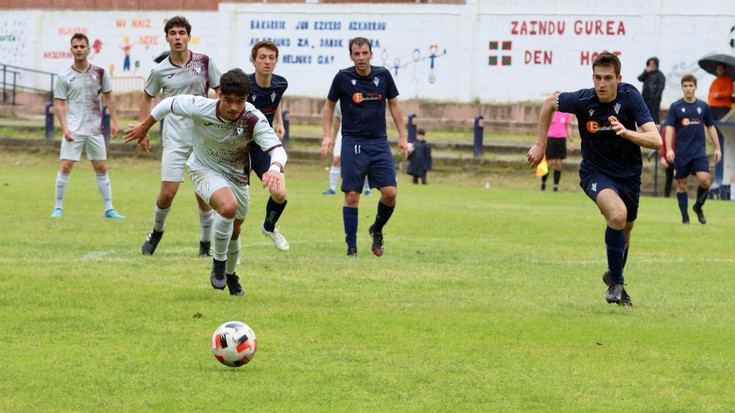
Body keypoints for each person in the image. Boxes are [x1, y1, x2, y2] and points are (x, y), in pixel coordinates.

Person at [124, 68, 287, 296]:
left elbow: (278, 150)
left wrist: (274, 169)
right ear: (219, 96)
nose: (233, 107)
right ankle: (218, 264)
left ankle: (231, 274)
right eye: (228, 100)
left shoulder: (253, 118)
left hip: (237, 176)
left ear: (246, 98)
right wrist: (145, 125)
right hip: (203, 169)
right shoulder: (201, 106)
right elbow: (168, 103)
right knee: (228, 208)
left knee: (235, 230)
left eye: (239, 101)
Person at [527, 52, 661, 306]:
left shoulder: (631, 97)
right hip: (595, 173)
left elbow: (656, 140)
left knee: (626, 229)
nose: (602, 83)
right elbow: (548, 104)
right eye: (597, 77)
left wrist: (626, 132)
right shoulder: (583, 99)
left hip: (629, 175)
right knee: (617, 215)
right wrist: (540, 144)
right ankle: (616, 284)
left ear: (618, 79)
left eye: (608, 78)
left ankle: (614, 274)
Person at [138, 16, 221, 257]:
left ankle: (205, 245)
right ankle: (156, 231)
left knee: (203, 193)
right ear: (167, 38)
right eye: (172, 33)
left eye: (181, 32)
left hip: (202, 139)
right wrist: (144, 130)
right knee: (167, 192)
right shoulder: (160, 70)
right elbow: (146, 97)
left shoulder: (204, 62)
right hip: (174, 139)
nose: (177, 37)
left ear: (188, 36)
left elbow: (220, 90)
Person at [321, 36, 408, 257]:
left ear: (371, 54)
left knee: (390, 193)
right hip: (352, 141)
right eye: (356, 54)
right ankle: (351, 247)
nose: (361, 58)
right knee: (352, 195)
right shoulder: (342, 78)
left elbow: (395, 105)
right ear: (351, 55)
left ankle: (376, 229)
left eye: (364, 53)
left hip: (379, 141)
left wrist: (402, 137)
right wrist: (327, 136)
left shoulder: (383, 76)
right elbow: (329, 106)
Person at [51, 33, 125, 220]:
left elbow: (109, 97)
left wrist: (115, 122)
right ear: (71, 50)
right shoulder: (64, 76)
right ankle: (58, 208)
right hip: (74, 129)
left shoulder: (99, 73)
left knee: (101, 167)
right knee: (66, 166)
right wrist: (64, 127)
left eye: (82, 46)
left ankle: (109, 209)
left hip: (95, 129)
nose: (78, 49)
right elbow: (59, 104)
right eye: (75, 46)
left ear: (88, 49)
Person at [247, 40, 290, 251]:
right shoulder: (243, 85)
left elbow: (276, 99)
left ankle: (269, 226)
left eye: (271, 58)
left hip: (262, 146)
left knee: (279, 193)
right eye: (262, 57)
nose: (267, 61)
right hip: (238, 146)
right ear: (253, 61)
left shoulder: (281, 83)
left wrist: (279, 123)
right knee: (234, 203)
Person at [665, 74, 722, 224]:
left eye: (691, 86)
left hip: (699, 152)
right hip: (681, 152)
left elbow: (711, 127)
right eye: (685, 86)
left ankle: (698, 206)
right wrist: (669, 149)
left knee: (705, 180)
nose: (688, 88)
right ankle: (685, 218)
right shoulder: (675, 107)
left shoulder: (703, 106)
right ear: (682, 87)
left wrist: (717, 148)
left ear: (695, 87)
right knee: (681, 184)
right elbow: (669, 129)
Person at [322, 100, 371, 196]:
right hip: (343, 132)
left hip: (361, 132)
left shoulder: (362, 97)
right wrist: (334, 137)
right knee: (336, 159)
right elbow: (337, 120)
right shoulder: (339, 102)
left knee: (363, 161)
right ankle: (332, 188)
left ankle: (367, 188)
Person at [540, 110, 574, 191]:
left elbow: (568, 127)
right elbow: (544, 125)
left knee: (558, 164)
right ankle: (543, 183)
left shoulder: (566, 113)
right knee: (548, 163)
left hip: (561, 139)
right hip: (551, 138)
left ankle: (555, 186)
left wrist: (571, 140)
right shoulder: (550, 112)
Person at [637, 57, 666, 124]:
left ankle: (656, 128)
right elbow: (639, 78)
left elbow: (661, 86)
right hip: (645, 97)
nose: (651, 65)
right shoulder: (647, 73)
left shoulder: (660, 74)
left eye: (653, 63)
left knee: (654, 114)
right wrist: (645, 72)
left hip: (654, 99)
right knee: (644, 112)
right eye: (650, 64)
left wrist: (656, 96)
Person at [658, 125, 675, 198]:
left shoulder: (682, 127)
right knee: (669, 178)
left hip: (681, 158)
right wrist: (662, 157)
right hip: (669, 158)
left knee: (681, 179)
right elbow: (662, 143)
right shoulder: (666, 129)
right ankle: (666, 196)